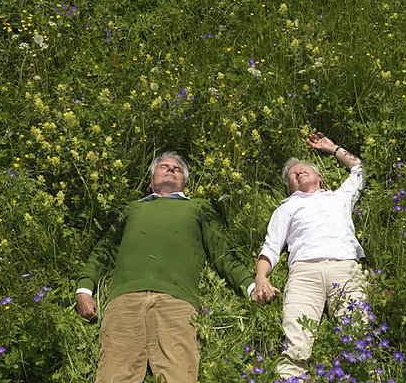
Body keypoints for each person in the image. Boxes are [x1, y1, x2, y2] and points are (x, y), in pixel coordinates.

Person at [76, 151, 265, 383]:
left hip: (177, 302)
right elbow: (103, 251)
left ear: (184, 182)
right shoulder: (132, 209)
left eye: (178, 169)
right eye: (164, 166)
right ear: (150, 181)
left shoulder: (198, 207)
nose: (171, 169)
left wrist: (251, 287)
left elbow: (222, 254)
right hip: (124, 301)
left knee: (179, 376)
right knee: (114, 377)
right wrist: (84, 289)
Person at [251, 132, 368, 380]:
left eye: (304, 169)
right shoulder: (286, 208)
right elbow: (270, 247)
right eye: (293, 174)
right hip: (304, 273)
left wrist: (333, 148)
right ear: (290, 185)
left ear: (319, 177)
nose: (299, 172)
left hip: (345, 266)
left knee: (359, 339)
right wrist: (261, 278)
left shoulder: (339, 197)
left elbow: (359, 169)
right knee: (295, 345)